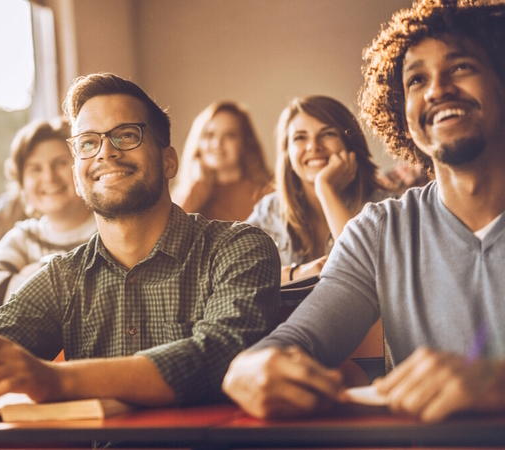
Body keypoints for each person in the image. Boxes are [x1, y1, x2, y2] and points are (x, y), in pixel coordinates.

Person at [0, 73, 280, 412]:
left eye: (126, 135)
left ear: (169, 161)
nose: (106, 152)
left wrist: (55, 379)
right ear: (78, 176)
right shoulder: (62, 277)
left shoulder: (239, 248)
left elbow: (221, 356)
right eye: (88, 143)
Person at [223, 0, 505, 422]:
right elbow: (299, 340)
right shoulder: (379, 231)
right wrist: (248, 368)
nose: (436, 89)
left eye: (461, 66)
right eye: (416, 80)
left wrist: (494, 381)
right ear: (402, 115)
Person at [245, 96, 389, 283]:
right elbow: (234, 272)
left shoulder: (385, 207)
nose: (313, 146)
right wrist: (295, 274)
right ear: (287, 153)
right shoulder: (269, 211)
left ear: (349, 143)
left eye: (328, 134)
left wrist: (325, 188)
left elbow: (371, 274)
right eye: (300, 138)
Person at [0, 118, 96, 311]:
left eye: (60, 163)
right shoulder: (24, 237)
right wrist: (53, 271)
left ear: (81, 168)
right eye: (35, 169)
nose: (49, 177)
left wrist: (31, 273)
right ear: (22, 185)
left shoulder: (107, 228)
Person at [172, 101, 273, 221]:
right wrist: (198, 187)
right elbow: (168, 232)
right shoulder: (186, 193)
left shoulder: (268, 191)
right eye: (209, 135)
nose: (217, 143)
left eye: (230, 135)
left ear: (245, 142)